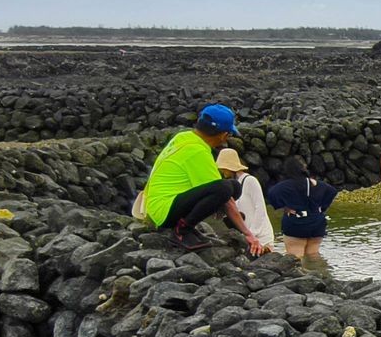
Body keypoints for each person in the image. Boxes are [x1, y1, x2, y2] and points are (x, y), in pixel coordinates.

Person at [141, 104, 266, 253]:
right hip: (164, 212)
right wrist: (248, 234)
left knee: (233, 186)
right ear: (223, 134)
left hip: (157, 206)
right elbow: (226, 198)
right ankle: (182, 231)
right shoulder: (198, 152)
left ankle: (187, 226)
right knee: (225, 188)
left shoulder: (183, 137)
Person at [266, 157, 339, 259]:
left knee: (295, 257)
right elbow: (332, 191)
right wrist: (322, 208)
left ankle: (301, 275)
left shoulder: (285, 186)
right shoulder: (314, 183)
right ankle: (319, 273)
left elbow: (271, 194)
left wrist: (282, 206)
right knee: (313, 255)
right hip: (317, 222)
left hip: (296, 223)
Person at [215, 147, 273, 255]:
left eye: (223, 168)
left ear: (229, 167)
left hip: (261, 236)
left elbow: (260, 208)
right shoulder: (234, 184)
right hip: (248, 236)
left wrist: (252, 233)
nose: (222, 171)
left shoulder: (250, 181)